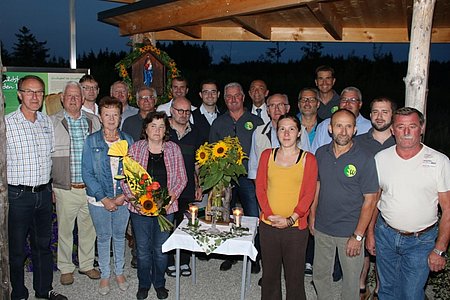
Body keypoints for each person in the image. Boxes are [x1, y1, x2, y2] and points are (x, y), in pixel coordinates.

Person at [367, 107, 450, 300]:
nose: (406, 132)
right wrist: (370, 233)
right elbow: (373, 201)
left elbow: (447, 209)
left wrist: (439, 249)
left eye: (412, 126)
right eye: (400, 126)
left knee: (411, 294)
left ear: (421, 128)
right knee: (386, 290)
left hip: (421, 241)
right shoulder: (381, 159)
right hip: (385, 234)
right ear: (392, 130)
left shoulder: (439, 162)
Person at [6, 75, 67, 300]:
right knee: (18, 249)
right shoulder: (6, 124)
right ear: (19, 94)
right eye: (29, 92)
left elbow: (49, 159)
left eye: (39, 92)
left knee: (43, 245)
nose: (35, 96)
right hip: (18, 195)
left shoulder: (46, 122)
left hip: (43, 194)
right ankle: (19, 293)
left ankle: (44, 290)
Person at [309, 109, 379, 300]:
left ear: (355, 130)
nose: (343, 131)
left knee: (350, 281)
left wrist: (358, 236)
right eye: (339, 125)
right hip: (323, 228)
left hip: (350, 231)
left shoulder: (364, 158)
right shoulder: (321, 153)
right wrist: (312, 215)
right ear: (330, 129)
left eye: (348, 126)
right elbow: (317, 184)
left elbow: (370, 200)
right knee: (320, 275)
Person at [122, 112, 187, 300]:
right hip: (140, 208)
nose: (157, 130)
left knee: (160, 250)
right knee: (142, 250)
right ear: (146, 129)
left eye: (161, 126)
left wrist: (169, 199)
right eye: (153, 126)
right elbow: (126, 180)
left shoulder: (173, 149)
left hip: (166, 208)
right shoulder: (135, 149)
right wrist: (137, 201)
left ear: (166, 129)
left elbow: (182, 178)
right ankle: (144, 284)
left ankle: (159, 283)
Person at [255, 114, 318, 300]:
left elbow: (309, 194)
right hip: (269, 225)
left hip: (296, 228)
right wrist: (270, 215)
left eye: (291, 129)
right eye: (282, 128)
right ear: (277, 132)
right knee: (270, 275)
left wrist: (291, 218)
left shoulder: (309, 159)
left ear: (299, 133)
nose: (287, 133)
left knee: (295, 276)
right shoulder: (267, 155)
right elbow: (260, 188)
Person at [50, 81, 101, 285]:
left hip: (89, 187)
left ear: (83, 99)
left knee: (89, 229)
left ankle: (87, 264)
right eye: (69, 96)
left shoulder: (94, 120)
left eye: (77, 96)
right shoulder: (52, 122)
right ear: (62, 98)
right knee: (65, 230)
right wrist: (52, 185)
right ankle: (66, 268)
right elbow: (46, 156)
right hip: (65, 188)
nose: (73, 99)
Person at [82, 96, 134, 295]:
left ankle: (119, 272)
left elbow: (133, 172)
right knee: (103, 237)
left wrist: (122, 197)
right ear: (100, 117)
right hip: (98, 200)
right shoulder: (92, 140)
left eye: (115, 115)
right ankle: (105, 275)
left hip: (123, 199)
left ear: (120, 117)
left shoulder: (128, 140)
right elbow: (87, 172)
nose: (111, 119)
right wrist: (104, 199)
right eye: (107, 115)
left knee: (119, 236)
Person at [209, 82, 264, 271]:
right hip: (226, 179)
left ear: (243, 97)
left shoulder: (256, 121)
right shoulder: (219, 122)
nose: (233, 100)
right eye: (229, 97)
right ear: (224, 100)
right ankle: (229, 254)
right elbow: (210, 151)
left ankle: (254, 255)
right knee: (227, 216)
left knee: (252, 216)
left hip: (249, 177)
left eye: (236, 95)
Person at [354, 97, 396, 300]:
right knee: (362, 247)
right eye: (376, 112)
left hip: (390, 205)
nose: (379, 116)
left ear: (392, 115)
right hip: (363, 203)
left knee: (383, 251)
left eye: (385, 112)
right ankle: (362, 286)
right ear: (370, 115)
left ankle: (380, 290)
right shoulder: (359, 141)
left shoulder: (400, 141)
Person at [166, 97, 204, 277]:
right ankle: (168, 261)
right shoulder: (162, 129)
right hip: (165, 188)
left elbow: (197, 163)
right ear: (172, 110)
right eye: (180, 111)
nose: (183, 115)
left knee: (186, 226)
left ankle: (184, 261)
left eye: (187, 111)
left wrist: (198, 184)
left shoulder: (196, 132)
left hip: (188, 188)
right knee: (166, 226)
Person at [295, 87, 322, 277]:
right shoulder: (291, 126)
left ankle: (311, 260)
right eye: (303, 100)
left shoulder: (326, 126)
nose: (307, 103)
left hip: (321, 180)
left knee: (315, 217)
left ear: (318, 104)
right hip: (296, 180)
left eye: (311, 100)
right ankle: (296, 257)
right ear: (298, 104)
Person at [311, 86, 371, 153]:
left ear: (360, 104)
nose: (347, 103)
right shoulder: (324, 125)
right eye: (344, 100)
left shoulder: (369, 128)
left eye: (353, 100)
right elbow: (314, 154)